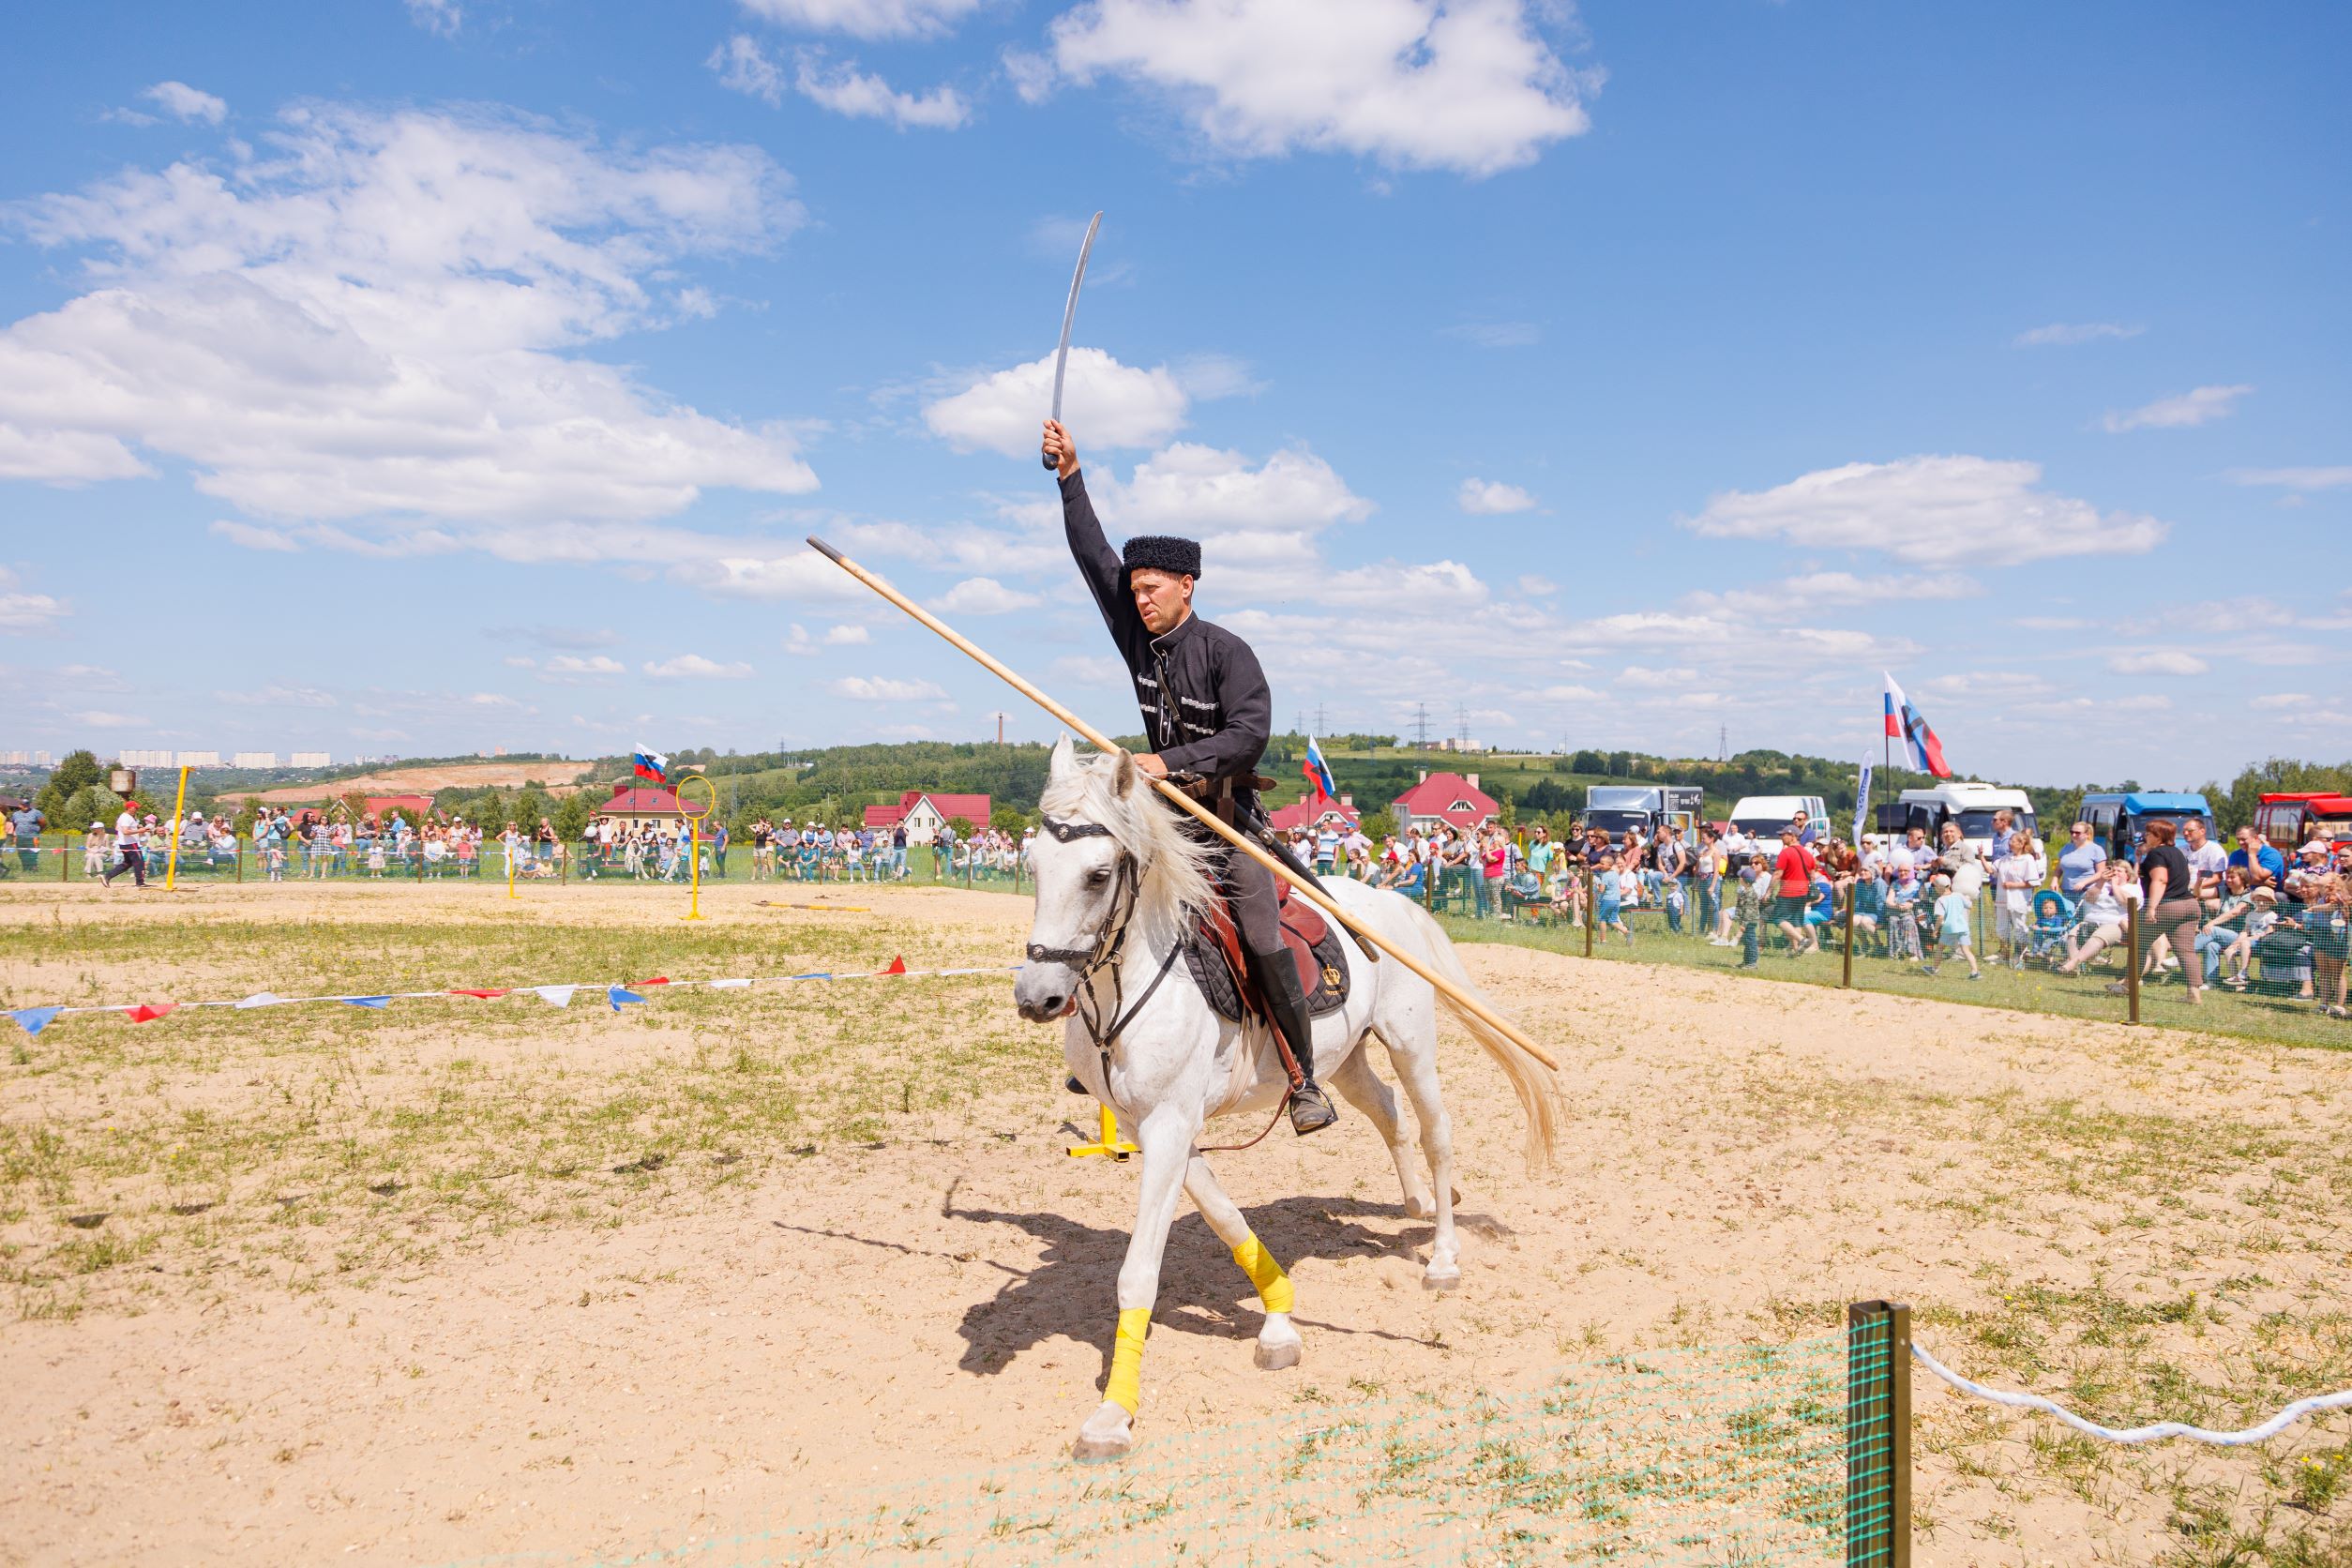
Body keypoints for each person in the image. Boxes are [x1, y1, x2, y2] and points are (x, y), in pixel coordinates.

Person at [1047, 415, 1335, 1134]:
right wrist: (1070, 477)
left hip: (1225, 822)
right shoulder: (1137, 642)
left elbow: (1248, 738)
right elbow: (1092, 556)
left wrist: (1167, 763)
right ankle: (1100, 1053)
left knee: (1261, 931)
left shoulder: (1228, 653)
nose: (1139, 600)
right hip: (1163, 825)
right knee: (1105, 908)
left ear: (1187, 586)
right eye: (1135, 591)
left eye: (1152, 589)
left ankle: (1301, 1078)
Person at [2113, 818, 2201, 1004]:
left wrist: (2152, 907)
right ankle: (2194, 994)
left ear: (2158, 836)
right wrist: (2139, 860)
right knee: (2186, 951)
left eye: (2148, 833)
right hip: (2190, 905)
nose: (2145, 836)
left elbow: (2160, 880)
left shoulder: (2157, 854)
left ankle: (2127, 985)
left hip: (2166, 905)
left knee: (2138, 943)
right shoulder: (2177, 852)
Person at [2057, 863, 2134, 975]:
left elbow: (2126, 902)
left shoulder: (2132, 888)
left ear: (2127, 875)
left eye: (2119, 871)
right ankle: (2075, 969)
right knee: (2072, 935)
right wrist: (2101, 882)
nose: (2115, 873)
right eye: (2113, 870)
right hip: (2092, 920)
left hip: (2115, 924)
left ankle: (2072, 963)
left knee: (2098, 937)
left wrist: (2115, 885)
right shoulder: (2102, 886)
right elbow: (2089, 899)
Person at [1770, 826, 1817, 956]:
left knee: (1778, 919)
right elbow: (1813, 875)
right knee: (1796, 921)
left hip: (1788, 892)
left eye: (1783, 835)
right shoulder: (1808, 854)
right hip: (1803, 892)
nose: (1781, 837)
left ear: (1792, 836)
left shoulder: (1786, 853)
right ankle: (1796, 950)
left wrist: (1769, 891)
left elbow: (1778, 874)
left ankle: (1802, 940)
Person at [1927, 872, 1982, 979]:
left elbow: (1940, 917)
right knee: (1966, 950)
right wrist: (1967, 898)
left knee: (1940, 948)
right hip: (1963, 927)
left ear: (1938, 887)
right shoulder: (1958, 895)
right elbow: (1969, 906)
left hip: (1949, 929)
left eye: (1935, 887)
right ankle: (1975, 972)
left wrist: (1935, 930)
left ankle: (1934, 969)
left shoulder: (1940, 900)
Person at [2056, 821, 2106, 901]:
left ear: (2087, 834)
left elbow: (2101, 873)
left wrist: (2084, 882)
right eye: (2071, 832)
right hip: (2067, 891)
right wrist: (2055, 880)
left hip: (2086, 891)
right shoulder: (2066, 848)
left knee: (2083, 914)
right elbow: (2059, 868)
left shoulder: (2096, 849)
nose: (2073, 835)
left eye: (2077, 833)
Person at [103, 801, 147, 887]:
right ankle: (140, 882)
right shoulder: (126, 817)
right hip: (130, 843)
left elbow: (117, 828)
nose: (136, 809)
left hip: (125, 843)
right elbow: (125, 831)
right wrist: (140, 830)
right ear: (129, 808)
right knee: (139, 861)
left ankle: (107, 876)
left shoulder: (125, 817)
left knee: (127, 863)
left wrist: (136, 827)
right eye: (135, 808)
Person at [1732, 854, 1765, 968]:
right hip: (1746, 921)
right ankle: (1746, 961)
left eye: (1740, 877)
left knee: (1751, 941)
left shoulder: (1750, 893)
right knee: (1747, 941)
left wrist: (1744, 924)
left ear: (1744, 879)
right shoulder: (1745, 891)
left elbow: (1749, 911)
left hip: (1749, 922)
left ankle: (1752, 962)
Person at [11, 798, 45, 872]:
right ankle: (25, 868)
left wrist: (37, 831)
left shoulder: (37, 812)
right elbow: (14, 825)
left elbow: (43, 823)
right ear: (20, 805)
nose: (26, 806)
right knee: (21, 853)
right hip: (20, 837)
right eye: (24, 804)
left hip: (33, 837)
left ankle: (34, 869)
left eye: (27, 804)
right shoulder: (15, 814)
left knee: (33, 852)